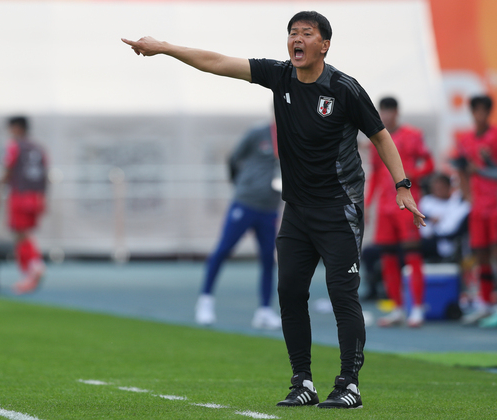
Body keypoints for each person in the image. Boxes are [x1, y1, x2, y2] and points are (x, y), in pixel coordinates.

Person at [123, 10, 425, 409]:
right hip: (297, 211)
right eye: (292, 33)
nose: (296, 39)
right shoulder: (279, 75)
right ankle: (303, 381)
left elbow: (381, 137)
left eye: (306, 33)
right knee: (289, 292)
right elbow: (217, 63)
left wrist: (402, 185)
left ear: (324, 44)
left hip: (339, 209)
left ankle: (348, 384)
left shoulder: (344, 88)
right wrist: (165, 48)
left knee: (342, 296)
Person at [195, 122, 282, 330]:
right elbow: (234, 158)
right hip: (245, 202)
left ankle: (264, 310)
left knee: (268, 258)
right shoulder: (258, 134)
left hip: (270, 207)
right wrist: (240, 183)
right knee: (223, 249)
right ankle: (205, 301)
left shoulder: (295, 134)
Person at [365, 97, 434, 328]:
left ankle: (417, 308)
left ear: (396, 112)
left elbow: (430, 163)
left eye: (389, 111)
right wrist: (367, 204)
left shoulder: (413, 135)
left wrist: (412, 174)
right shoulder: (375, 138)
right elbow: (374, 174)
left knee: (413, 257)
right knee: (388, 258)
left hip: (407, 204)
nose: (385, 115)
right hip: (385, 207)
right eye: (382, 111)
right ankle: (397, 307)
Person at [453, 95, 497, 324]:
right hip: (478, 207)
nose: (480, 115)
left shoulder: (495, 135)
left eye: (484, 111)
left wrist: (486, 164)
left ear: (488, 113)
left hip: (496, 205)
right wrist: (467, 194)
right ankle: (485, 303)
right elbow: (460, 167)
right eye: (476, 111)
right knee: (480, 254)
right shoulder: (466, 139)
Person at [0, 116, 48, 294]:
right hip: (36, 196)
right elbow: (45, 174)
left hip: (20, 195)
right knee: (23, 233)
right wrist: (43, 197)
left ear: (17, 128)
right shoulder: (39, 148)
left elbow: (7, 169)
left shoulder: (14, 147)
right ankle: (29, 274)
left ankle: (34, 266)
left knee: (20, 234)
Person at [419, 173, 470, 262]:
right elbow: (424, 230)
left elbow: (450, 227)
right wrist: (430, 219)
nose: (438, 191)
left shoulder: (456, 202)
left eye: (441, 188)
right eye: (435, 188)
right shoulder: (426, 202)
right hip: (427, 244)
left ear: (448, 187)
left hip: (449, 245)